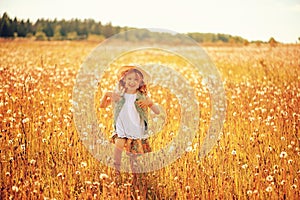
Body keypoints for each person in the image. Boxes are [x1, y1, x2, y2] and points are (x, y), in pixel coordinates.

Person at [99, 65, 160, 174]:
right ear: (124, 80)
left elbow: (157, 111)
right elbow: (102, 106)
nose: (132, 81)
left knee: (133, 157)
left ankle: (135, 177)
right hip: (121, 130)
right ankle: (116, 173)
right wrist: (106, 95)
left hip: (135, 131)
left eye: (136, 79)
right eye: (129, 79)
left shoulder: (142, 96)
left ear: (141, 83)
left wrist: (149, 103)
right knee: (118, 150)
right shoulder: (119, 95)